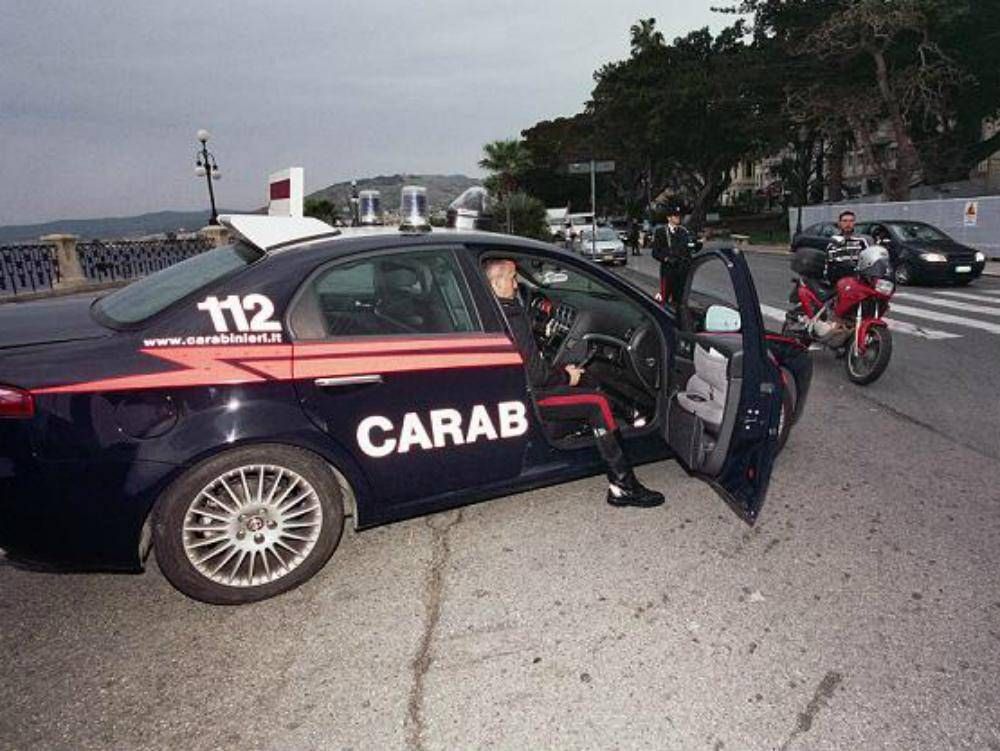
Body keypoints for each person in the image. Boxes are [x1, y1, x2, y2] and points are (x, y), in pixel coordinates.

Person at [483, 258, 664, 508]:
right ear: (495, 283)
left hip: (519, 386)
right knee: (596, 403)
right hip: (531, 395)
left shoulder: (494, 309)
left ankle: (628, 415)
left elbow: (532, 365)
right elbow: (537, 376)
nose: (516, 285)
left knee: (588, 375)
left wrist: (565, 372)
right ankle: (623, 486)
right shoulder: (511, 314)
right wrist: (567, 376)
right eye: (512, 278)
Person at [651, 204, 694, 306]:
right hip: (668, 272)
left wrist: (695, 247)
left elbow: (688, 249)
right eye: (675, 216)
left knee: (680, 300)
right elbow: (655, 252)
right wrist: (666, 258)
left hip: (681, 271)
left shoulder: (684, 231)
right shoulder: (661, 232)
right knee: (664, 298)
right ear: (669, 218)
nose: (678, 218)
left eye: (679, 216)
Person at [825, 210, 869, 283]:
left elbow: (868, 261)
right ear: (839, 223)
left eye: (851, 221)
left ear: (854, 223)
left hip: (858, 281)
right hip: (839, 281)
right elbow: (828, 264)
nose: (848, 224)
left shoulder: (862, 241)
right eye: (845, 221)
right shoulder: (833, 242)